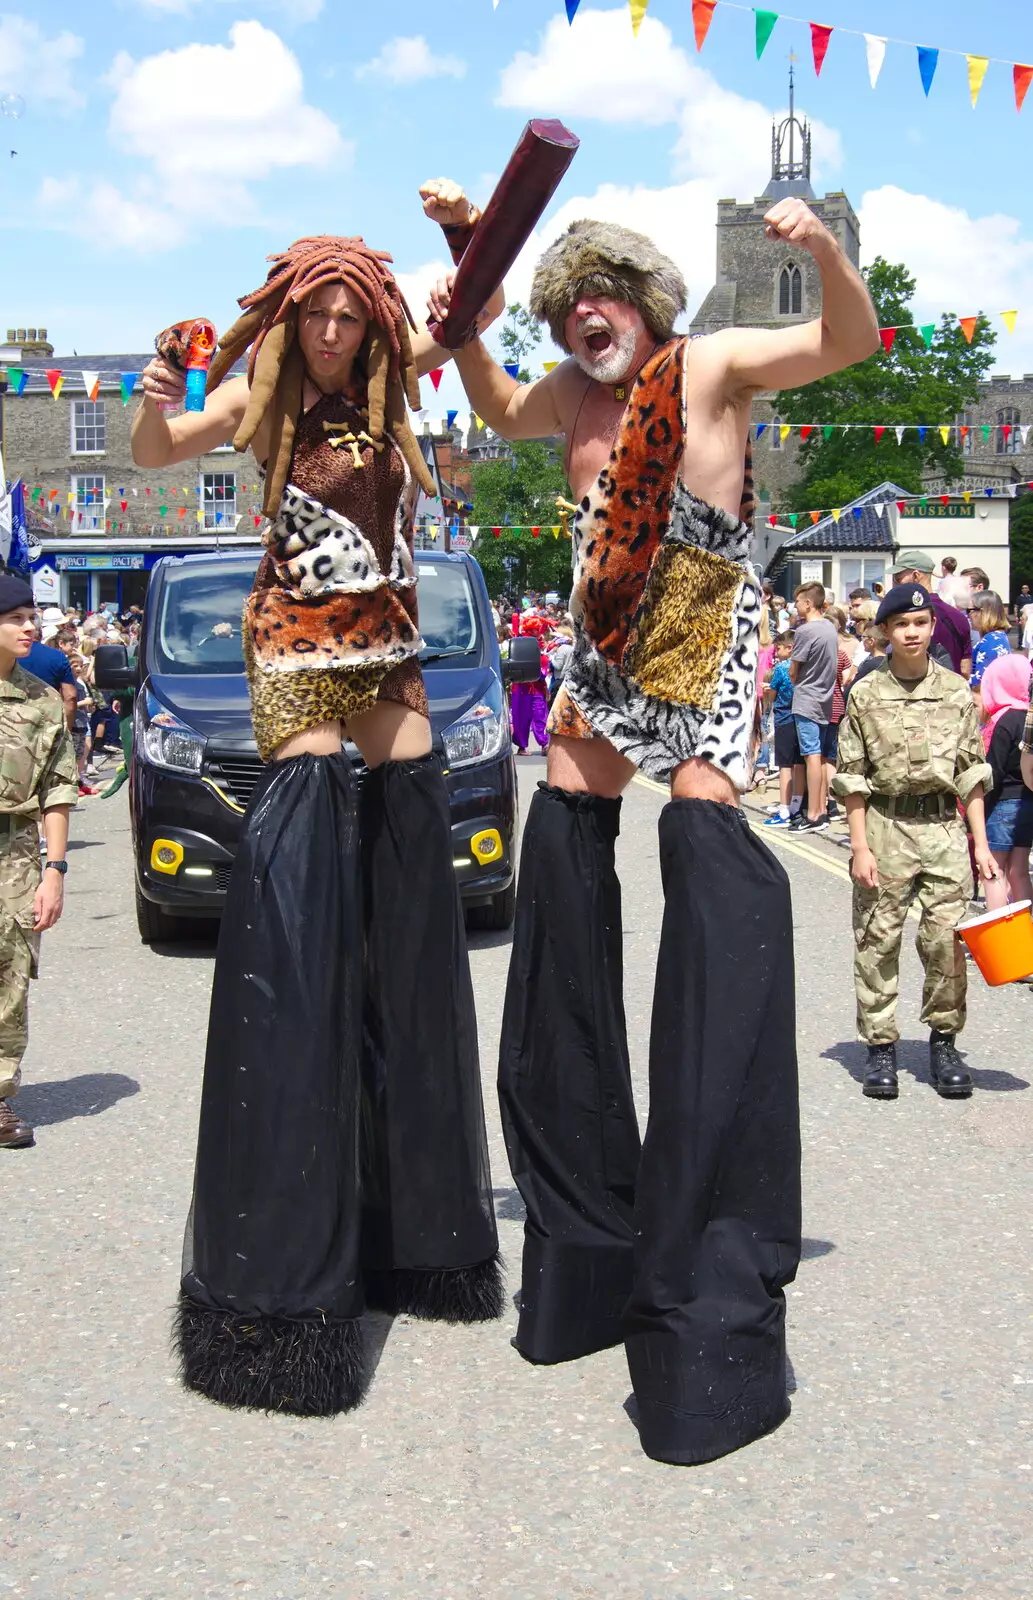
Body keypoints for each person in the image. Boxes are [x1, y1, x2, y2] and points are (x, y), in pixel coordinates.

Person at [432, 196, 880, 1463]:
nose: (589, 316)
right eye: (569, 304)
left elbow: (848, 341)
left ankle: (706, 1236)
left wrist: (820, 255)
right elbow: (485, 390)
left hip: (710, 648)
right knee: (561, 877)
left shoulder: (715, 365)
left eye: (607, 297)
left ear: (644, 301)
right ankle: (584, 1234)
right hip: (605, 655)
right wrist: (468, 295)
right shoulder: (566, 406)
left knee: (701, 862)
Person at [131, 179, 505, 1417]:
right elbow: (154, 451)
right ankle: (276, 1288)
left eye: (354, 314)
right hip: (293, 647)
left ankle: (423, 1234)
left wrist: (463, 232)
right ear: (296, 315)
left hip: (389, 647)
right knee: (294, 909)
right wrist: (148, 402)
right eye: (325, 314)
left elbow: (474, 317)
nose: (339, 331)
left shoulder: (400, 389)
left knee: (414, 896)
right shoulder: (265, 398)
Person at [832, 584, 997, 1102]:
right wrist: (859, 846)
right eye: (901, 624)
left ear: (931, 629)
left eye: (921, 624)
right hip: (885, 826)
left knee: (947, 943)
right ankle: (881, 1046)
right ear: (883, 631)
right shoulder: (865, 693)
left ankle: (944, 1042)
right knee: (878, 940)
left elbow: (971, 773)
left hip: (945, 832)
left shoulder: (955, 691)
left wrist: (982, 844)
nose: (912, 632)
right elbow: (852, 776)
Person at [0, 576, 79, 1150]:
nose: (31, 626)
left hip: (16, 854)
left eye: (32, 615)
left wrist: (55, 871)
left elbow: (57, 789)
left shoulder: (41, 699)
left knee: (9, 976)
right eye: (16, 617)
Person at [980, 652, 1033, 913]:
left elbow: (993, 771)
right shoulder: (1029, 716)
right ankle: (1026, 934)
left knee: (993, 871)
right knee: (1019, 872)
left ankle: (999, 938)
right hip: (1027, 802)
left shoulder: (1004, 721)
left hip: (1002, 803)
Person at [789, 580, 838, 833]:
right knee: (817, 755)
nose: (795, 605)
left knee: (811, 755)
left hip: (806, 697)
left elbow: (794, 671)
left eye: (798, 601)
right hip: (824, 698)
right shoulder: (830, 628)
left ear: (808, 603)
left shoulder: (805, 631)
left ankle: (813, 813)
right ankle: (821, 809)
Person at [892, 550, 971, 677]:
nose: (895, 584)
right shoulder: (959, 618)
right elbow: (966, 670)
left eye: (897, 578)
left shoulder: (903, 619)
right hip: (953, 692)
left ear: (915, 576)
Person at [762, 632, 802, 826]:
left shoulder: (781, 668)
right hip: (802, 717)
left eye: (778, 648)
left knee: (785, 765)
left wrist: (768, 691)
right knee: (799, 764)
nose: (776, 653)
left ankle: (784, 809)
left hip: (784, 717)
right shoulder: (804, 667)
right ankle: (796, 805)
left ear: (790, 648)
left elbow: (773, 695)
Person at [22, 627, 77, 732]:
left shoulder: (7, 655)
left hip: (11, 725)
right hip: (48, 724)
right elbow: (70, 697)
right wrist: (67, 730)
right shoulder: (58, 656)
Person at [969, 592, 1012, 690]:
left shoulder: (991, 641)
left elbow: (981, 681)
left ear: (983, 612)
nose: (968, 615)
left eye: (970, 610)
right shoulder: (998, 637)